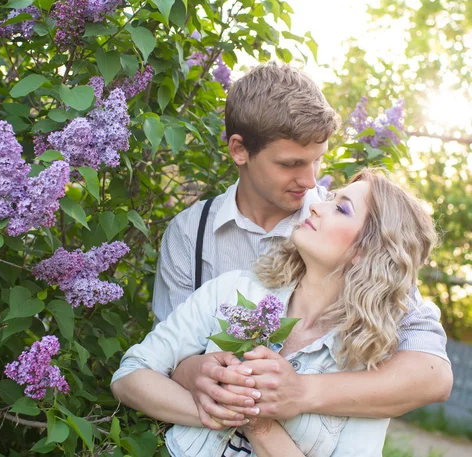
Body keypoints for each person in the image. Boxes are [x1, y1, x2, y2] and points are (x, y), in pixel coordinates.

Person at [151, 62, 452, 429]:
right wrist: (195, 370)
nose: (310, 182)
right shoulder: (189, 234)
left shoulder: (348, 233)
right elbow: (168, 356)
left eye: (317, 160)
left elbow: (433, 374)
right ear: (239, 151)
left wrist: (301, 392)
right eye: (291, 163)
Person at [112, 169, 441, 456]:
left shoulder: (366, 368)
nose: (315, 205)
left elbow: (436, 376)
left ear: (366, 251)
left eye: (340, 208)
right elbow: (131, 376)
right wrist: (221, 409)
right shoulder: (234, 291)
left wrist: (262, 427)